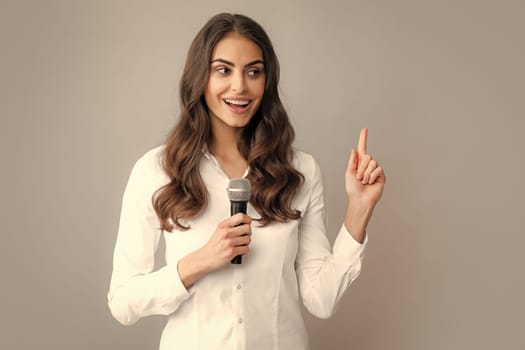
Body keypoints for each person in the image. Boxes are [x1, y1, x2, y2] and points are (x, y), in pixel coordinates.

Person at [107, 12, 385, 350]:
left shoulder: (300, 171)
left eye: (253, 71)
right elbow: (122, 303)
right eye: (223, 70)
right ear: (200, 78)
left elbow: (321, 301)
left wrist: (358, 209)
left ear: (267, 81)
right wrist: (200, 261)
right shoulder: (157, 170)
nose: (239, 86)